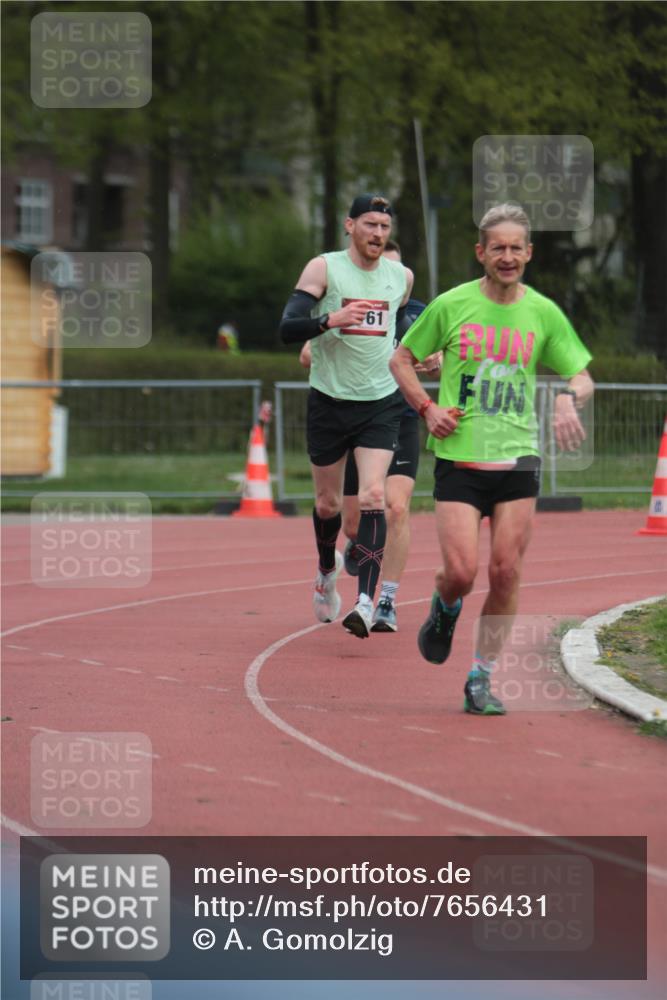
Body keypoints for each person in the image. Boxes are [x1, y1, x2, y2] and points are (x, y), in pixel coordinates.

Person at [390, 202, 594, 715]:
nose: (507, 256)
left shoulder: (542, 312)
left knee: (505, 571)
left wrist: (567, 398)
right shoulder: (452, 305)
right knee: (461, 572)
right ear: (480, 252)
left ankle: (481, 677)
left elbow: (581, 374)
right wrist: (427, 408)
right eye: (497, 247)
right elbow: (401, 359)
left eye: (515, 248)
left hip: (518, 458)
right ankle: (445, 606)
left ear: (529, 253)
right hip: (461, 459)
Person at [280, 194, 414, 638]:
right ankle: (325, 570)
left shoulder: (401, 277)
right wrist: (330, 320)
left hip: (380, 402)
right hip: (329, 400)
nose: (378, 233)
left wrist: (416, 354)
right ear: (350, 225)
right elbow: (287, 327)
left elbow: (398, 328)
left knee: (375, 495)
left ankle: (365, 603)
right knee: (328, 504)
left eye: (384, 226)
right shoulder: (324, 268)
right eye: (370, 224)